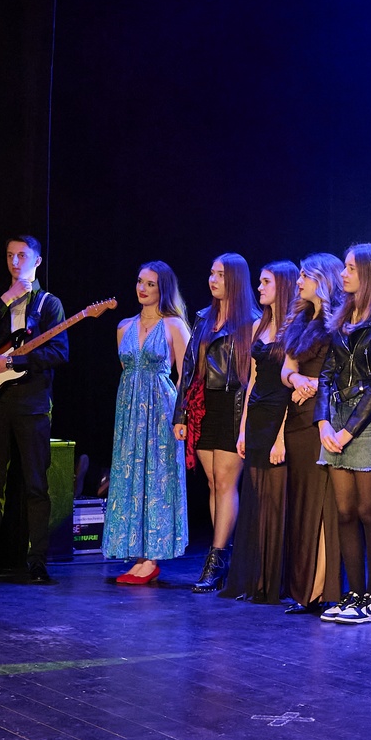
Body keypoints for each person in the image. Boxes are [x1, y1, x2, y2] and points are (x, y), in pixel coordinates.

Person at [0, 235, 66, 585]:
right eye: (10, 255)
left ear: (37, 261)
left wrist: (12, 362)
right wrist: (6, 299)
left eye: (22, 255)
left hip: (32, 403)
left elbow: (59, 352)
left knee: (36, 484)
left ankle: (37, 561)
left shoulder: (49, 304)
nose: (15, 262)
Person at [318, 243, 371, 623]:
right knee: (344, 511)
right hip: (336, 417)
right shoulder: (344, 314)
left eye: (351, 268)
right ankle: (353, 594)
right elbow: (325, 373)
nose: (343, 273)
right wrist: (323, 422)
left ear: (369, 273)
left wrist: (349, 431)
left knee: (369, 511)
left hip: (367, 423)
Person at [173, 253, 258, 594]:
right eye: (211, 273)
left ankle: (216, 558)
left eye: (220, 275)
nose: (213, 279)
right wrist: (180, 414)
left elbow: (253, 376)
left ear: (235, 279)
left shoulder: (252, 321)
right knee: (212, 484)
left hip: (232, 406)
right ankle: (221, 554)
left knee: (225, 483)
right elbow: (188, 369)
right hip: (203, 405)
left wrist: (247, 422)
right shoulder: (203, 318)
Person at [103, 262, 190, 584]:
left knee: (157, 478)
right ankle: (137, 555)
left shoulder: (174, 325)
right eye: (140, 282)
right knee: (130, 477)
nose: (143, 288)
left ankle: (152, 557)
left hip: (161, 411)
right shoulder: (124, 326)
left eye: (151, 284)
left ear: (163, 288)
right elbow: (128, 371)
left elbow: (186, 375)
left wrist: (180, 415)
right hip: (129, 411)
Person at [225, 260, 301, 603]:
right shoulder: (260, 324)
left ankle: (272, 581)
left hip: (278, 418)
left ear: (282, 285)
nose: (259, 287)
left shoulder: (295, 328)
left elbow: (290, 390)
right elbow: (253, 379)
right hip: (256, 417)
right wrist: (242, 429)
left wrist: (281, 437)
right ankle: (252, 579)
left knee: (274, 501)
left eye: (266, 282)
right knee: (255, 500)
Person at [278, 254, 345, 613]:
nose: (299, 280)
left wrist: (314, 384)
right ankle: (304, 589)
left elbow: (344, 373)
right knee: (303, 504)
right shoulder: (301, 319)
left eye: (305, 275)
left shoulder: (339, 322)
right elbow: (287, 368)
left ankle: (322, 588)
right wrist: (296, 379)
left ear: (324, 279)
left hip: (323, 415)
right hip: (298, 418)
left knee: (322, 504)